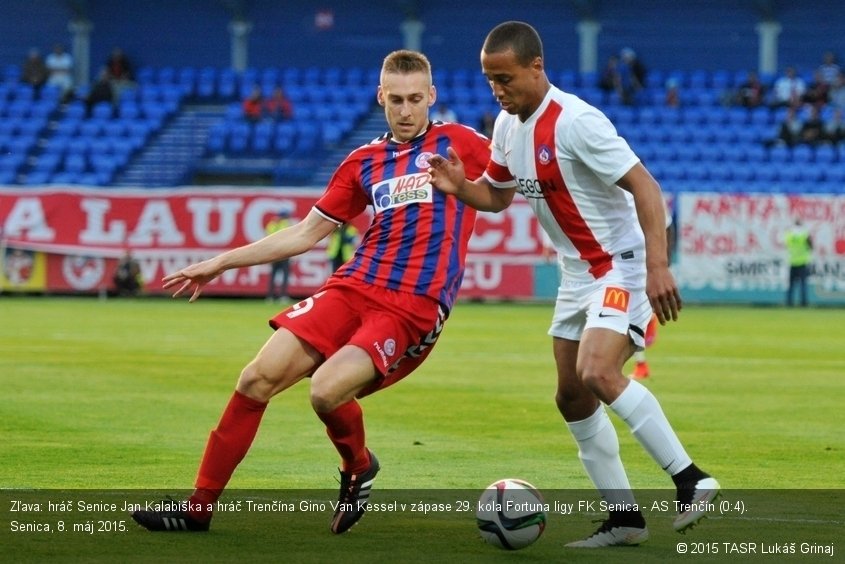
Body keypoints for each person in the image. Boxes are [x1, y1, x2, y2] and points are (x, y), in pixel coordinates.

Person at [130, 49, 491, 534]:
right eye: (396, 100)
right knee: (256, 378)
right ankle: (198, 509)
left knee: (325, 392)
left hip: (412, 305)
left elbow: (515, 183)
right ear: (380, 97)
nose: (405, 111)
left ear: (432, 96)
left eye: (415, 100)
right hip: (354, 286)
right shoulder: (363, 161)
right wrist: (221, 262)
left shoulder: (460, 143)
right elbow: (305, 233)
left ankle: (357, 465)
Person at [428, 20, 719, 548]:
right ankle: (625, 519)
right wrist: (459, 188)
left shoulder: (578, 121)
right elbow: (496, 196)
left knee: (597, 371)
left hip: (620, 265)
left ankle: (691, 480)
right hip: (576, 273)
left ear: (536, 67)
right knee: (570, 396)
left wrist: (657, 266)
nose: (497, 89)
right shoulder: (506, 126)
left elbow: (646, 187)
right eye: (490, 79)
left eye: (506, 78)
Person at [628, 197, 676, 380]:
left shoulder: (650, 194)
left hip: (643, 264)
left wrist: (662, 264)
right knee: (627, 316)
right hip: (626, 262)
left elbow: (667, 228)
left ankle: (640, 364)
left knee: (629, 316)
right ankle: (640, 364)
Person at [264, 210, 293, 302]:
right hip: (284, 253)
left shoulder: (272, 224)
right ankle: (282, 296)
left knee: (273, 275)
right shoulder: (287, 224)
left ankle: (270, 296)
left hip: (274, 253)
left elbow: (268, 238)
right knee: (284, 275)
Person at [784, 219, 812, 307]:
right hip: (802, 261)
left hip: (792, 261)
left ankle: (789, 302)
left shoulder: (789, 234)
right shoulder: (805, 233)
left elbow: (786, 244)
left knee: (791, 284)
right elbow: (811, 245)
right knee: (803, 284)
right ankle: (803, 303)